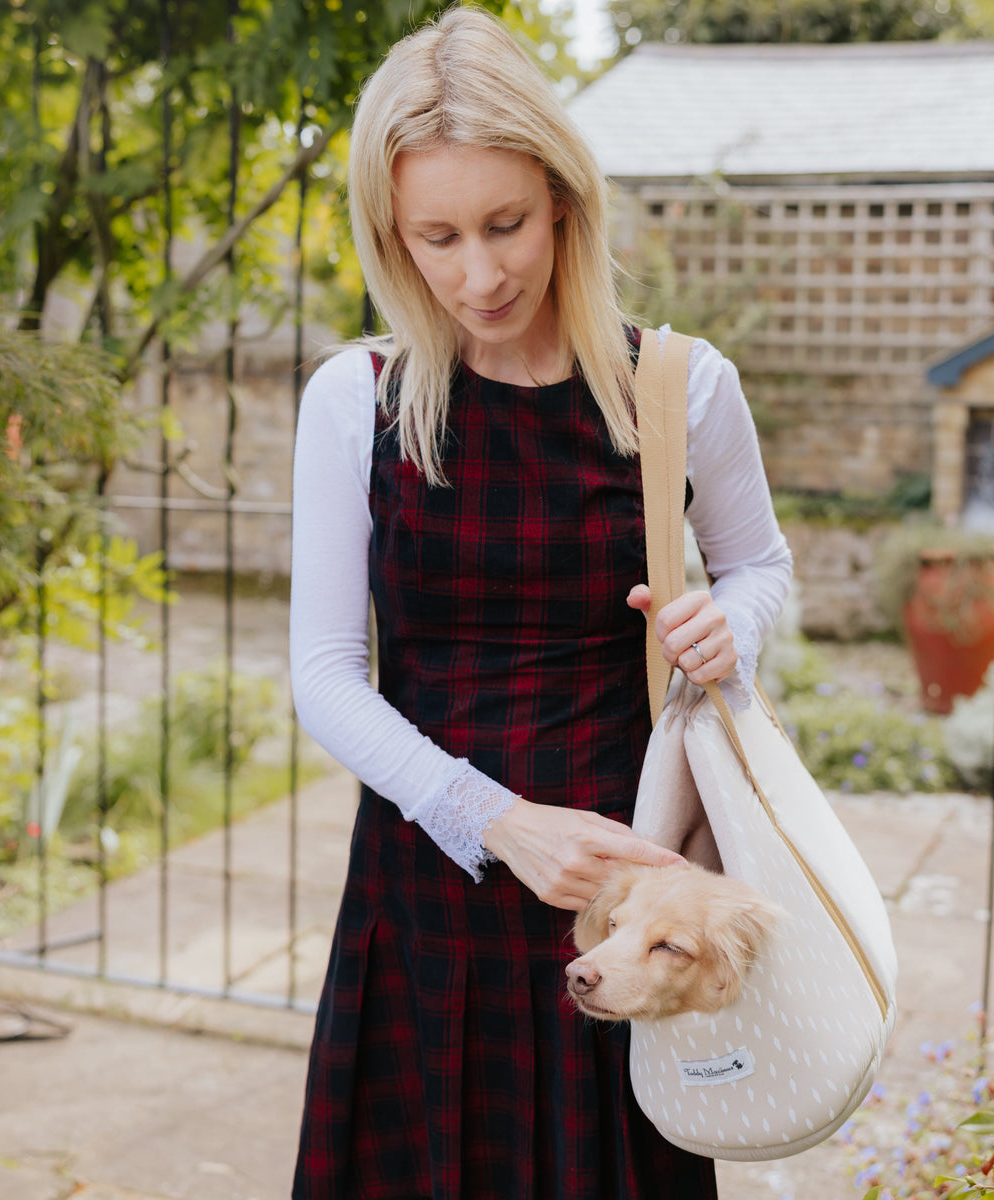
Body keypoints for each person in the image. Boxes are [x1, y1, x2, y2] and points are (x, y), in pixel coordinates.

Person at [288, 7, 793, 1198]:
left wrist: (734, 625)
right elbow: (322, 672)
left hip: (632, 912)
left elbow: (762, 567)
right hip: (425, 899)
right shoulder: (355, 399)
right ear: (390, 235)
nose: (479, 273)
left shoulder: (676, 386)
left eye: (506, 223)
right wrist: (499, 822)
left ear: (563, 197)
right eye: (437, 237)